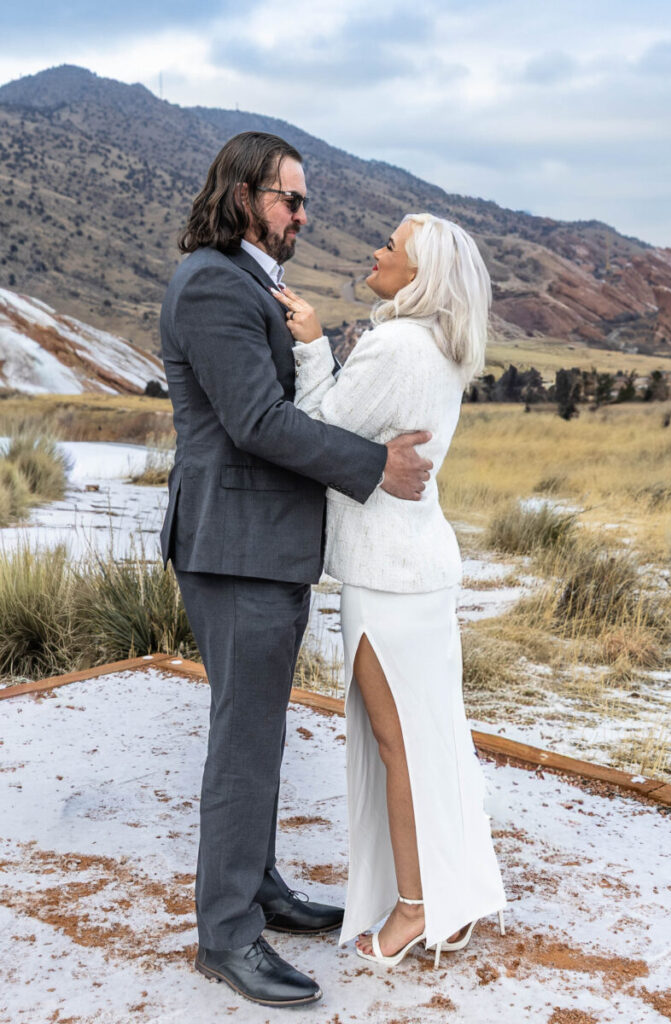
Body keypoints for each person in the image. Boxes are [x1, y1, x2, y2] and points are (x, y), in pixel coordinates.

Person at [158, 132, 433, 1008]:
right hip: (233, 546)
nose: (303, 216)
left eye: (304, 201)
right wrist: (371, 465)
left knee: (260, 733)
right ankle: (227, 934)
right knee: (245, 743)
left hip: (262, 547)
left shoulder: (250, 279)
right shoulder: (211, 282)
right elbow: (258, 422)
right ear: (243, 194)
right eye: (290, 199)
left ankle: (258, 889)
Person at [274, 212, 507, 969]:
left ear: (418, 276)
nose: (375, 251)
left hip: (387, 575)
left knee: (396, 745)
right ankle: (450, 899)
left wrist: (310, 345)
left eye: (390, 247)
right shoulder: (437, 346)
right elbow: (355, 441)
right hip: (419, 569)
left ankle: (413, 910)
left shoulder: (396, 344)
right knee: (431, 741)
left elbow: (313, 431)